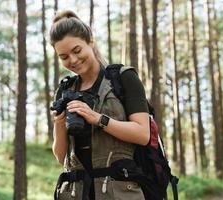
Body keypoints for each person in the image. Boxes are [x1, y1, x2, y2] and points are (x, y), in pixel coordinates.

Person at [50, 10, 150, 200]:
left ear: (91, 41)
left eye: (77, 50)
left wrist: (98, 119)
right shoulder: (65, 90)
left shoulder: (123, 78)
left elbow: (142, 134)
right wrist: (59, 122)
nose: (72, 60)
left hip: (120, 192)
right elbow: (61, 156)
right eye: (64, 57)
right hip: (74, 192)